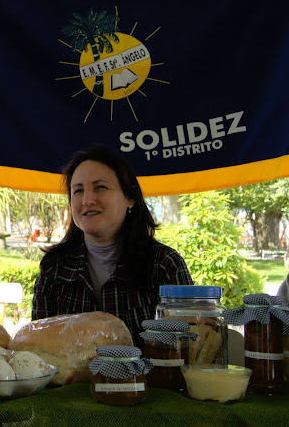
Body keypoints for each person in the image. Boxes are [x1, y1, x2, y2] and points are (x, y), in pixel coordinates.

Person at [31, 145, 193, 342]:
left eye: (100, 187)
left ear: (130, 197)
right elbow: (38, 347)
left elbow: (189, 345)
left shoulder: (164, 265)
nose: (87, 200)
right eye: (78, 191)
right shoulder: (54, 269)